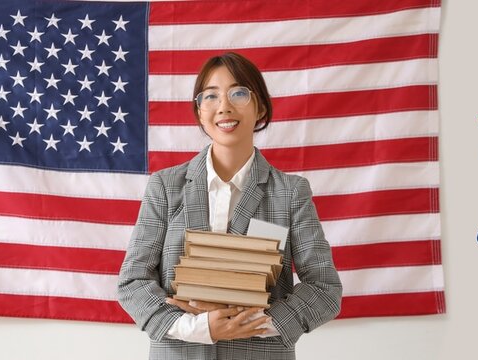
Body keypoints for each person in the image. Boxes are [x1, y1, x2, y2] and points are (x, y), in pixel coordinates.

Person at [117, 52, 342, 360]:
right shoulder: (165, 187)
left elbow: (324, 288)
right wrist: (198, 327)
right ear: (199, 111)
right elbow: (133, 282)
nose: (224, 106)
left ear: (260, 106)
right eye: (210, 96)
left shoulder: (291, 192)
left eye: (239, 93)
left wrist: (251, 323)